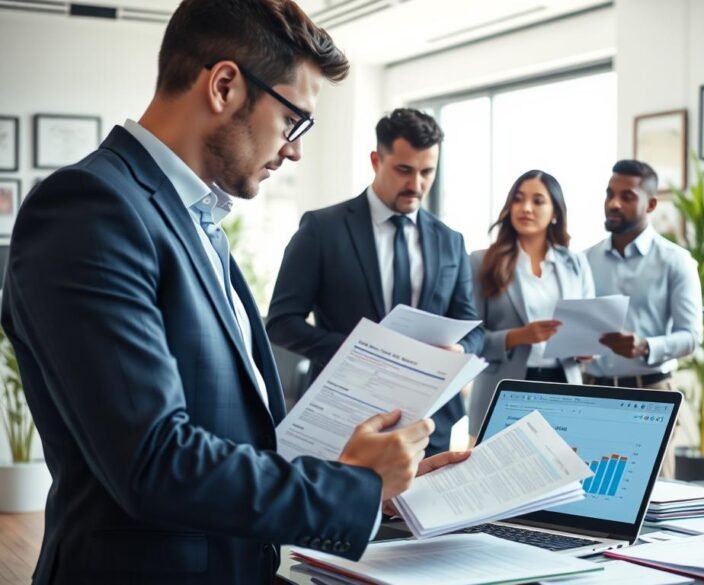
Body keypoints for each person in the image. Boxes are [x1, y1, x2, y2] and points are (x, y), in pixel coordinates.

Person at [0, 2, 468, 583]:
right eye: (294, 119)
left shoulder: (199, 221)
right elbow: (154, 461)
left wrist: (373, 483)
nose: (296, 149)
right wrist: (352, 487)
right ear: (224, 85)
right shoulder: (90, 210)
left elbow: (227, 435)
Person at [267, 108, 482, 456]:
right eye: (403, 170)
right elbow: (281, 323)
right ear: (375, 160)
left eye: (427, 172)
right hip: (344, 418)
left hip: (429, 425)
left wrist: (460, 350)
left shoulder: (451, 241)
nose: (416, 185)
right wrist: (362, 352)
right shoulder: (322, 229)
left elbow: (472, 327)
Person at [584, 160, 702, 479]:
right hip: (591, 391)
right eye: (609, 194)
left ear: (650, 203)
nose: (613, 203)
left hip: (650, 395)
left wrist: (645, 345)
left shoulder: (676, 262)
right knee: (590, 492)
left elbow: (692, 335)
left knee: (651, 497)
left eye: (627, 196)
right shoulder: (586, 259)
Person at [468, 170, 595, 437]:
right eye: (518, 199)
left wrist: (587, 349)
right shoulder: (482, 261)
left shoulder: (575, 263)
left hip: (563, 386)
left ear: (555, 212)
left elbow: (589, 328)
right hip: (505, 387)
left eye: (538, 201)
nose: (526, 208)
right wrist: (518, 336)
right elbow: (471, 338)